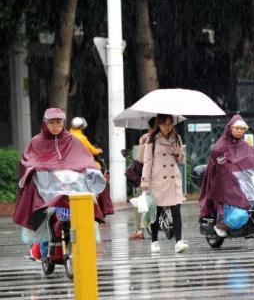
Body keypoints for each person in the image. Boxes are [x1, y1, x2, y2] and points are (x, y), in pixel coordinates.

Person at [13, 108, 107, 258]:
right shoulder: (36, 141)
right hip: (47, 187)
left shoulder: (73, 140)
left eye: (58, 122)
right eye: (51, 122)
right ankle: (42, 248)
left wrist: (90, 168)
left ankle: (85, 242)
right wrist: (34, 169)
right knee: (42, 212)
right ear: (45, 123)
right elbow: (28, 160)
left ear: (63, 123)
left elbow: (85, 158)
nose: (55, 126)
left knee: (87, 207)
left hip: (72, 186)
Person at [199, 115, 254, 237]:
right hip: (224, 181)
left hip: (243, 180)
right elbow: (217, 163)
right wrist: (225, 165)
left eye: (242, 129)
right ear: (230, 128)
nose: (239, 131)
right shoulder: (220, 145)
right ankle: (221, 221)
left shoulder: (244, 145)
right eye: (237, 128)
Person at [140, 114, 188, 253]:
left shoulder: (177, 138)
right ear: (159, 125)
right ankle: (154, 240)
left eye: (170, 124)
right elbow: (147, 162)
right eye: (165, 124)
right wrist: (145, 181)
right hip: (158, 180)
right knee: (157, 212)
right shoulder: (152, 140)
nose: (167, 127)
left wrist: (178, 153)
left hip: (173, 180)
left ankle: (178, 241)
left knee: (176, 211)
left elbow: (182, 161)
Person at [129, 117, 156, 240]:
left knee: (138, 202)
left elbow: (141, 160)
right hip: (165, 178)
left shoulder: (148, 140)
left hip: (150, 178)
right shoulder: (168, 139)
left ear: (150, 128)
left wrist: (142, 142)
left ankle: (139, 231)